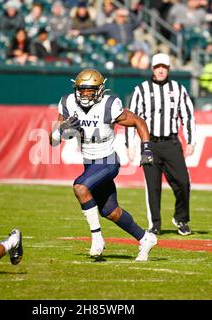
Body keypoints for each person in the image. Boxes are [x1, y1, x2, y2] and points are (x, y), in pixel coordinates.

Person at [49, 68, 157, 262]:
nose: (85, 94)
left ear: (99, 90)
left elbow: (139, 122)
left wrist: (146, 149)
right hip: (89, 164)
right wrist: (62, 130)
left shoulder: (109, 105)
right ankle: (146, 238)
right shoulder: (68, 103)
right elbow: (53, 141)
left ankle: (97, 238)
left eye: (90, 90)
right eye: (82, 90)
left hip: (108, 161)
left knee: (80, 187)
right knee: (110, 211)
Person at [126, 53, 196, 236]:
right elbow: (130, 117)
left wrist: (190, 141)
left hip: (171, 143)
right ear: (152, 69)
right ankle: (155, 224)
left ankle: (181, 218)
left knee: (183, 182)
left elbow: (187, 116)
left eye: (164, 66)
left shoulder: (178, 89)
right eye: (158, 67)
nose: (161, 70)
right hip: (149, 144)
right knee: (152, 185)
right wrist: (129, 144)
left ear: (169, 69)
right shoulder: (140, 90)